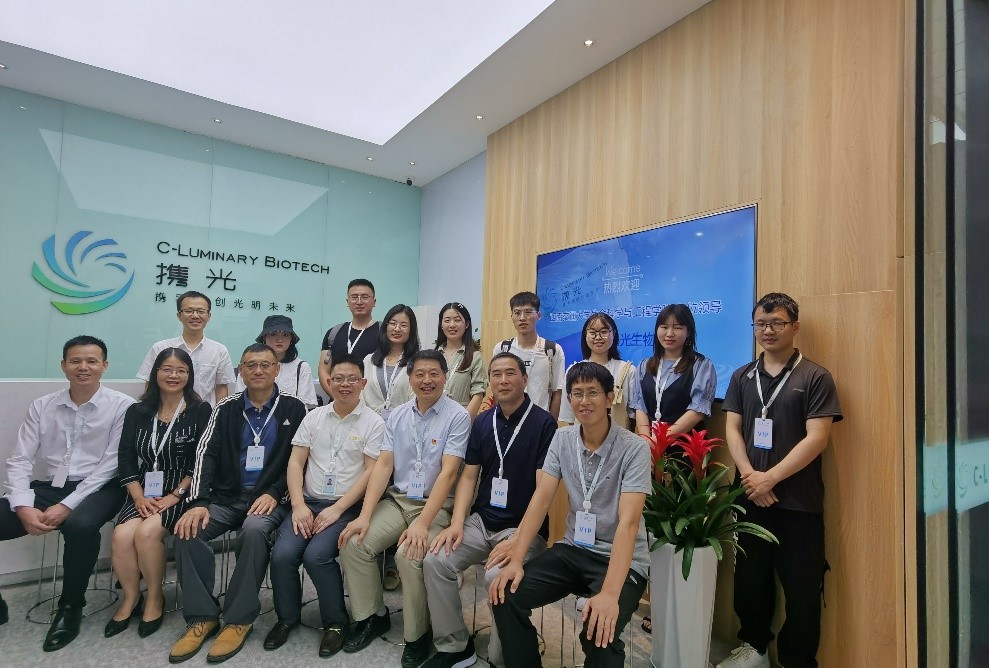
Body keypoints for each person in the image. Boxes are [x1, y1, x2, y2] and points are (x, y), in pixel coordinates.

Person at [488, 361, 651, 667]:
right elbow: (541, 499)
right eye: (577, 393)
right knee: (505, 594)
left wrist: (609, 594)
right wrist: (517, 559)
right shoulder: (562, 440)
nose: (584, 401)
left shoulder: (634, 449)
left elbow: (629, 525)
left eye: (593, 393)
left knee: (598, 631)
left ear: (609, 397)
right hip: (574, 548)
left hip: (620, 558)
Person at [717, 293, 842, 668]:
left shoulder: (815, 376)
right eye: (761, 323)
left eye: (777, 323)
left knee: (802, 589)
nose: (767, 330)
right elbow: (732, 429)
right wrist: (750, 478)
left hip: (798, 502)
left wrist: (769, 478)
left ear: (794, 327)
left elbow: (817, 438)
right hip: (751, 498)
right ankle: (754, 648)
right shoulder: (742, 376)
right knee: (750, 580)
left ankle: (798, 660)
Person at [168, 343, 307, 664]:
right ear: (240, 371)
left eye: (265, 365)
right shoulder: (225, 408)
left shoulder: (294, 408)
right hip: (227, 497)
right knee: (188, 530)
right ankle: (202, 616)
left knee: (254, 531)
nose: (258, 370)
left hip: (271, 499)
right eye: (250, 365)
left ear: (277, 370)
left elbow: (300, 459)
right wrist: (198, 502)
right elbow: (205, 455)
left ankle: (238, 618)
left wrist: (276, 493)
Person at [422, 352, 557, 668]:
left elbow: (544, 491)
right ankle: (454, 645)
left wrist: (520, 540)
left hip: (522, 528)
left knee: (498, 576)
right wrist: (457, 523)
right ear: (490, 381)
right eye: (496, 374)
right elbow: (469, 476)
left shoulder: (544, 423)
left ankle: (504, 652)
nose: (503, 380)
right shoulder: (483, 422)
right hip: (481, 522)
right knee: (435, 561)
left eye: (510, 373)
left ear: (525, 379)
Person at [0, 336, 134, 651]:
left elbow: (110, 465)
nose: (83, 367)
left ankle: (71, 605)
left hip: (103, 486)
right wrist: (22, 505)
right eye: (75, 361)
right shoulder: (42, 406)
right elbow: (20, 459)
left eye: (91, 361)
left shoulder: (123, 406)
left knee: (80, 525)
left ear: (104, 365)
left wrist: (67, 506)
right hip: (53, 486)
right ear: (63, 365)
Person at [338, 350, 470, 668]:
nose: (427, 380)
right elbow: (384, 465)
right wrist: (364, 516)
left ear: (445, 377)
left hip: (437, 506)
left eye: (434, 373)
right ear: (409, 379)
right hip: (399, 500)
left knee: (409, 555)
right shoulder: (397, 415)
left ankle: (417, 635)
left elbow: (449, 473)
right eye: (419, 374)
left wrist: (422, 524)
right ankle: (372, 617)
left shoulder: (457, 416)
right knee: (355, 543)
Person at [265, 354, 385, 658]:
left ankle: (335, 623)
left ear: (363, 383)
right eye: (338, 379)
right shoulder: (314, 417)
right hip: (307, 503)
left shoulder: (374, 422)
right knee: (282, 555)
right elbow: (296, 462)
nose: (345, 385)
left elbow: (371, 472)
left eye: (352, 379)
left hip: (346, 507)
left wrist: (338, 508)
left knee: (317, 556)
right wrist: (298, 505)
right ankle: (287, 618)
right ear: (328, 382)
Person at [106, 348, 212, 639]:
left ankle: (155, 596)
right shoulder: (138, 411)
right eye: (167, 369)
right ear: (155, 373)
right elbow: (126, 457)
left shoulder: (200, 410)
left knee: (146, 533)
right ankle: (131, 597)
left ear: (189, 375)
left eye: (181, 370)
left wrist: (176, 494)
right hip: (143, 489)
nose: (173, 375)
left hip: (183, 489)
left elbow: (202, 459)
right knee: (121, 535)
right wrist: (138, 496)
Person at [137, 290, 236, 407]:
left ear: (209, 316)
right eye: (188, 311)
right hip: (166, 413)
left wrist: (220, 415)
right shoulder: (160, 348)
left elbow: (221, 388)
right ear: (179, 315)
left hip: (205, 415)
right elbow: (150, 384)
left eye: (201, 311)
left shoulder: (219, 350)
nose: (195, 316)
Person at [634, 304, 717, 438]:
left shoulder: (702, 365)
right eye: (664, 327)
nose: (669, 334)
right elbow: (640, 406)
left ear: (688, 332)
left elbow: (698, 411)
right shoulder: (644, 365)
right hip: (648, 443)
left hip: (685, 444)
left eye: (677, 327)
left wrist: (661, 440)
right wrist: (646, 439)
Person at [559, 312, 647, 431]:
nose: (598, 337)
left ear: (613, 334)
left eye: (604, 332)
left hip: (618, 439)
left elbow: (634, 416)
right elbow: (568, 416)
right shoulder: (573, 370)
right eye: (592, 332)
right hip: (581, 439)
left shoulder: (628, 370)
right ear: (585, 335)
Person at [489, 291, 565, 419]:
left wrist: (551, 424)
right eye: (517, 313)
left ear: (538, 315)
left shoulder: (552, 350)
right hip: (508, 420)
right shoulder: (502, 349)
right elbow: (497, 389)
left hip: (540, 421)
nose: (522, 318)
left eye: (528, 312)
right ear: (512, 316)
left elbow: (557, 392)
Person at [235, 315, 317, 408]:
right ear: (264, 337)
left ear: (291, 339)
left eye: (285, 335)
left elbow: (305, 405)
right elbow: (239, 400)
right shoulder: (249, 364)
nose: (279, 340)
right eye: (273, 334)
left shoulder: (301, 367)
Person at [318, 279, 380, 397]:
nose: (359, 302)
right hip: (337, 401)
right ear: (348, 301)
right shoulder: (333, 333)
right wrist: (339, 398)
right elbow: (324, 371)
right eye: (354, 297)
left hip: (372, 403)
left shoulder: (384, 333)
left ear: (374, 302)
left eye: (365, 297)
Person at [361, 303, 420, 420]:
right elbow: (360, 394)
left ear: (411, 330)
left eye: (403, 325)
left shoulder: (417, 362)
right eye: (393, 323)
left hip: (404, 424)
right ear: (386, 326)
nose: (397, 329)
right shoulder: (369, 361)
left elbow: (418, 398)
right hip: (370, 424)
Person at [434, 302, 486, 419]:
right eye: (447, 320)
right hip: (434, 417)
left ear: (467, 324)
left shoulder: (475, 356)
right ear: (441, 325)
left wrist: (463, 421)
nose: (452, 325)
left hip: (461, 415)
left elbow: (478, 392)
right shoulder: (434, 355)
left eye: (457, 320)